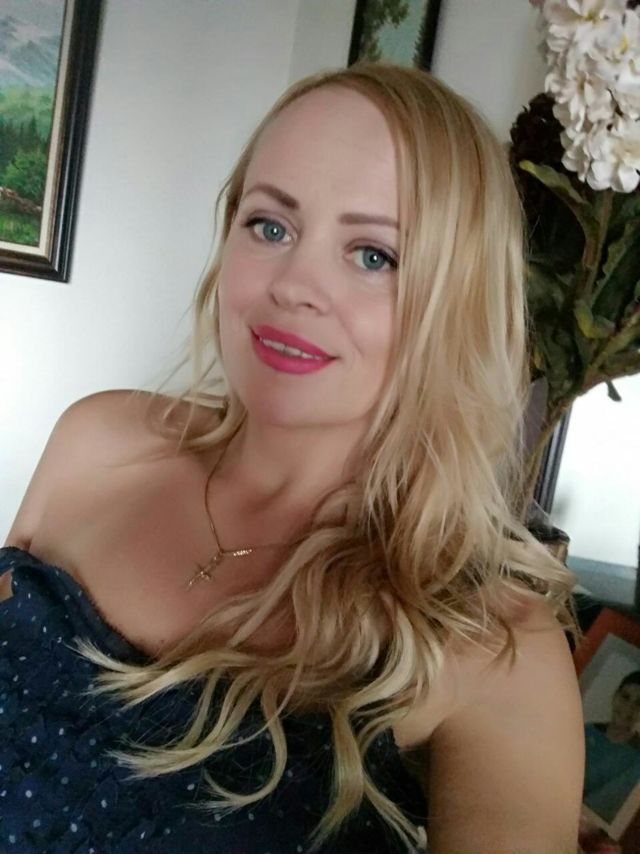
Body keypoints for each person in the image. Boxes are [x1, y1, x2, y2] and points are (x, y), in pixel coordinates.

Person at [0, 61, 585, 853]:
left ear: (457, 302)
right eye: (270, 227)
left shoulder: (494, 644)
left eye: (374, 255)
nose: (294, 286)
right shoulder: (97, 442)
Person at [583, 671, 640, 825]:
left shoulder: (637, 759)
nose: (629, 707)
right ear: (615, 696)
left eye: (639, 703)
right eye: (625, 697)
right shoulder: (586, 732)